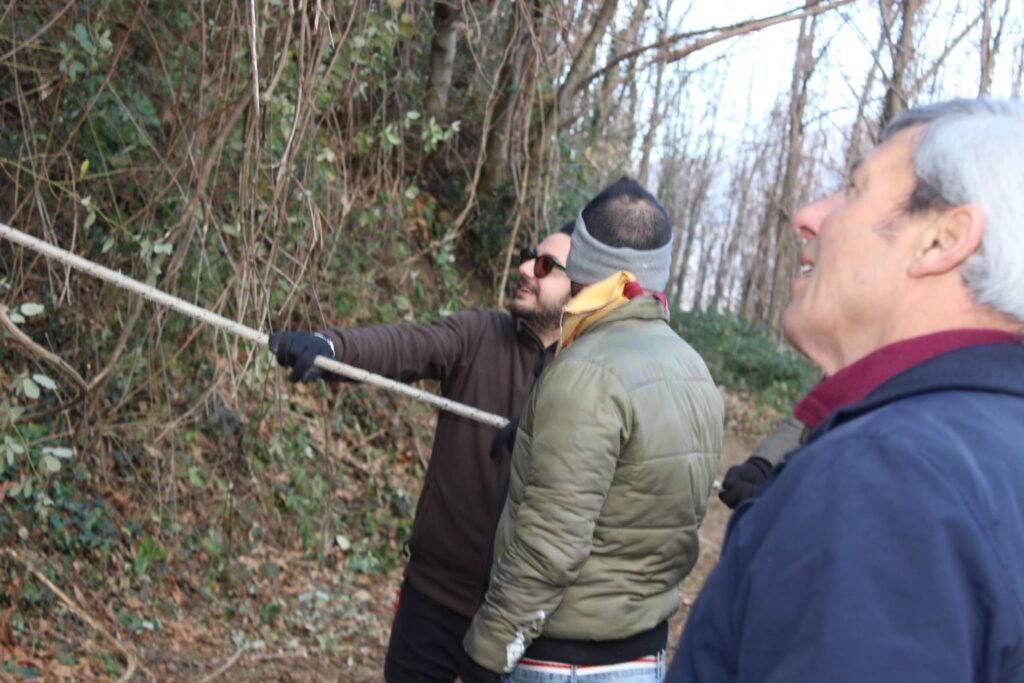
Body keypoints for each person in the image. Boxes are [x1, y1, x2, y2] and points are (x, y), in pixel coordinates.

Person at [669, 97, 1024, 682]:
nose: (808, 214)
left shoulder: (888, 474)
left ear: (942, 240)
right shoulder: (987, 448)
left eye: (854, 190)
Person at [269, 223, 574, 682]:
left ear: (581, 288)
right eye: (531, 255)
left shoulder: (587, 377)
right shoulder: (478, 334)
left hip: (521, 621)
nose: (527, 268)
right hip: (432, 598)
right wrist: (330, 349)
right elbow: (408, 344)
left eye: (547, 266)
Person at [460, 178, 724, 683]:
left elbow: (549, 547)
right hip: (643, 655)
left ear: (580, 258)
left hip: (564, 663)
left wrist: (484, 656)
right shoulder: (695, 370)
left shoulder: (583, 372)